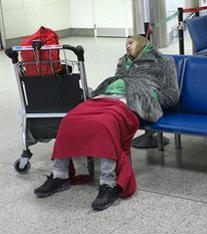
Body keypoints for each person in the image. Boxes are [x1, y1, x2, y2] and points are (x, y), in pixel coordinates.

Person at [33, 35, 180, 210]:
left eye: (131, 42)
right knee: (69, 120)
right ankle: (60, 176)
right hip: (105, 97)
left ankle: (108, 183)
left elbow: (172, 95)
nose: (127, 46)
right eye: (125, 43)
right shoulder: (123, 62)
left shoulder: (163, 62)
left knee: (105, 124)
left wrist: (149, 97)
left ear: (143, 42)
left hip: (132, 102)